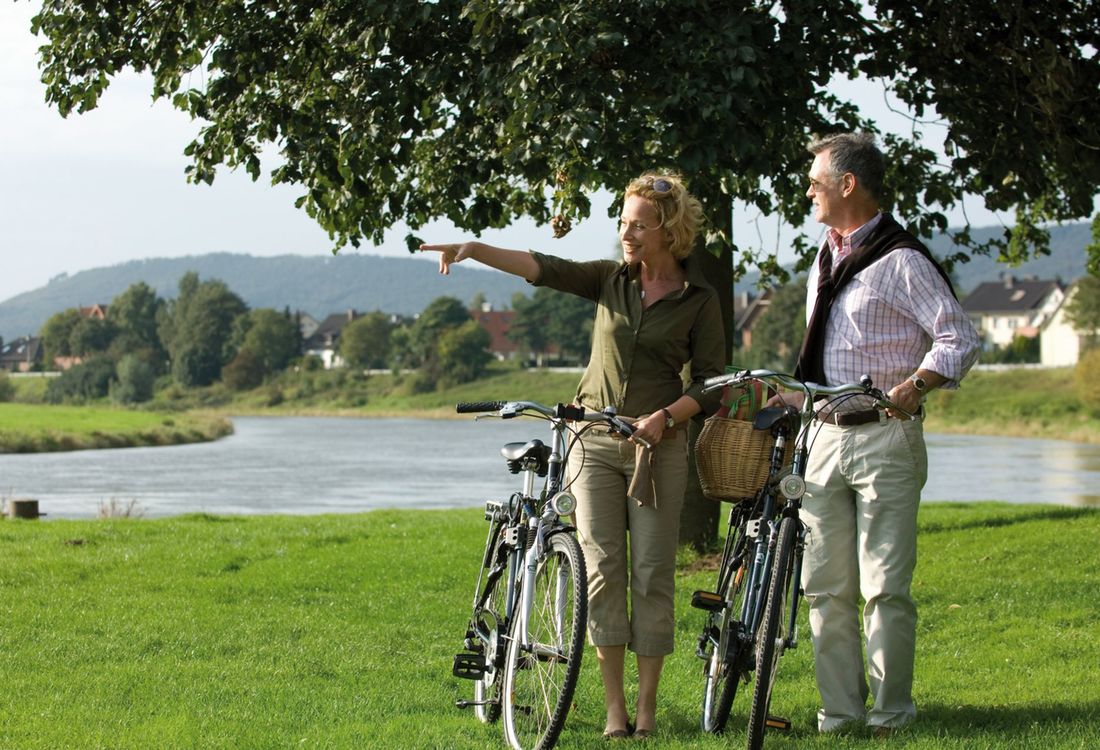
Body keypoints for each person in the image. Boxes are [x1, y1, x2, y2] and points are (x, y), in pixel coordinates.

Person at [421, 173, 725, 740]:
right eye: (623, 221)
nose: (626, 232)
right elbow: (542, 266)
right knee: (604, 572)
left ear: (668, 229)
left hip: (658, 451)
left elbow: (712, 384)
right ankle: (614, 710)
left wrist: (665, 417)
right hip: (592, 442)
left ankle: (649, 709)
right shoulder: (610, 280)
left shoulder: (699, 300)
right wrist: (475, 249)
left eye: (638, 223)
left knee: (653, 575)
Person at [788, 133, 981, 737]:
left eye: (817, 180)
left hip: (884, 437)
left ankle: (891, 716)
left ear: (849, 184)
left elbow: (959, 338)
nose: (809, 190)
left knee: (883, 586)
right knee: (824, 587)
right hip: (822, 437)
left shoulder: (902, 259)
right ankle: (839, 717)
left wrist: (917, 385)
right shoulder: (823, 256)